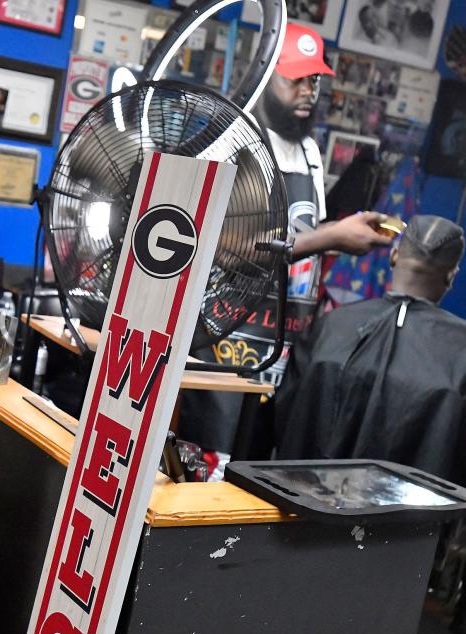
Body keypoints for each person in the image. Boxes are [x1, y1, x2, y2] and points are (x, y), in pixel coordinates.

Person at [274, 215, 466, 634]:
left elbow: (283, 415)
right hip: (401, 542)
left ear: (395, 254)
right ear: (451, 277)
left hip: (305, 523)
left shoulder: (329, 328)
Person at [178, 22, 392, 460]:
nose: (308, 90)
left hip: (283, 338)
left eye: (314, 79)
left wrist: (347, 230)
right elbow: (221, 246)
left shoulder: (310, 152)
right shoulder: (232, 142)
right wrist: (333, 236)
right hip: (222, 338)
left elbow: (304, 235)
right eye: (295, 78)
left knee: (255, 467)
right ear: (263, 75)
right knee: (209, 463)